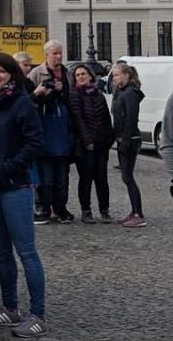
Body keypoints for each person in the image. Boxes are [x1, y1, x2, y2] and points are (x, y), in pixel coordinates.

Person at [0, 53, 47, 336]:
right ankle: (11, 309)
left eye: (1, 71)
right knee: (0, 252)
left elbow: (34, 143)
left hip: (15, 187)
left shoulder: (22, 103)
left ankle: (37, 314)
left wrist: (9, 167)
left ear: (12, 74)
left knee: (26, 252)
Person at [28, 40, 74, 223]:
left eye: (60, 53)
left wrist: (63, 91)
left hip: (62, 129)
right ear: (46, 54)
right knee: (46, 179)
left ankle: (61, 208)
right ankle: (45, 209)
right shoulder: (36, 73)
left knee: (62, 179)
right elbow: (28, 102)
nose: (59, 57)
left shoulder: (66, 73)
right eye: (55, 53)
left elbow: (71, 100)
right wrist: (40, 94)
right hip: (44, 131)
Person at [68, 63, 114, 224]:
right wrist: (87, 140)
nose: (80, 77)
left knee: (102, 178)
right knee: (86, 178)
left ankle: (104, 209)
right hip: (84, 144)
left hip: (101, 142)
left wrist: (109, 138)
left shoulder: (98, 94)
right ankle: (86, 210)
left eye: (83, 74)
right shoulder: (74, 95)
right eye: (77, 75)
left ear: (90, 76)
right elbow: (78, 119)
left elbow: (106, 118)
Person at [111, 62, 146, 227]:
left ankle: (138, 213)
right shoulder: (122, 92)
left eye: (117, 75)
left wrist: (124, 139)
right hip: (124, 138)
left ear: (127, 75)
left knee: (128, 177)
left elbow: (131, 118)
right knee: (127, 177)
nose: (115, 78)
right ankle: (134, 211)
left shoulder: (130, 93)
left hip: (129, 139)